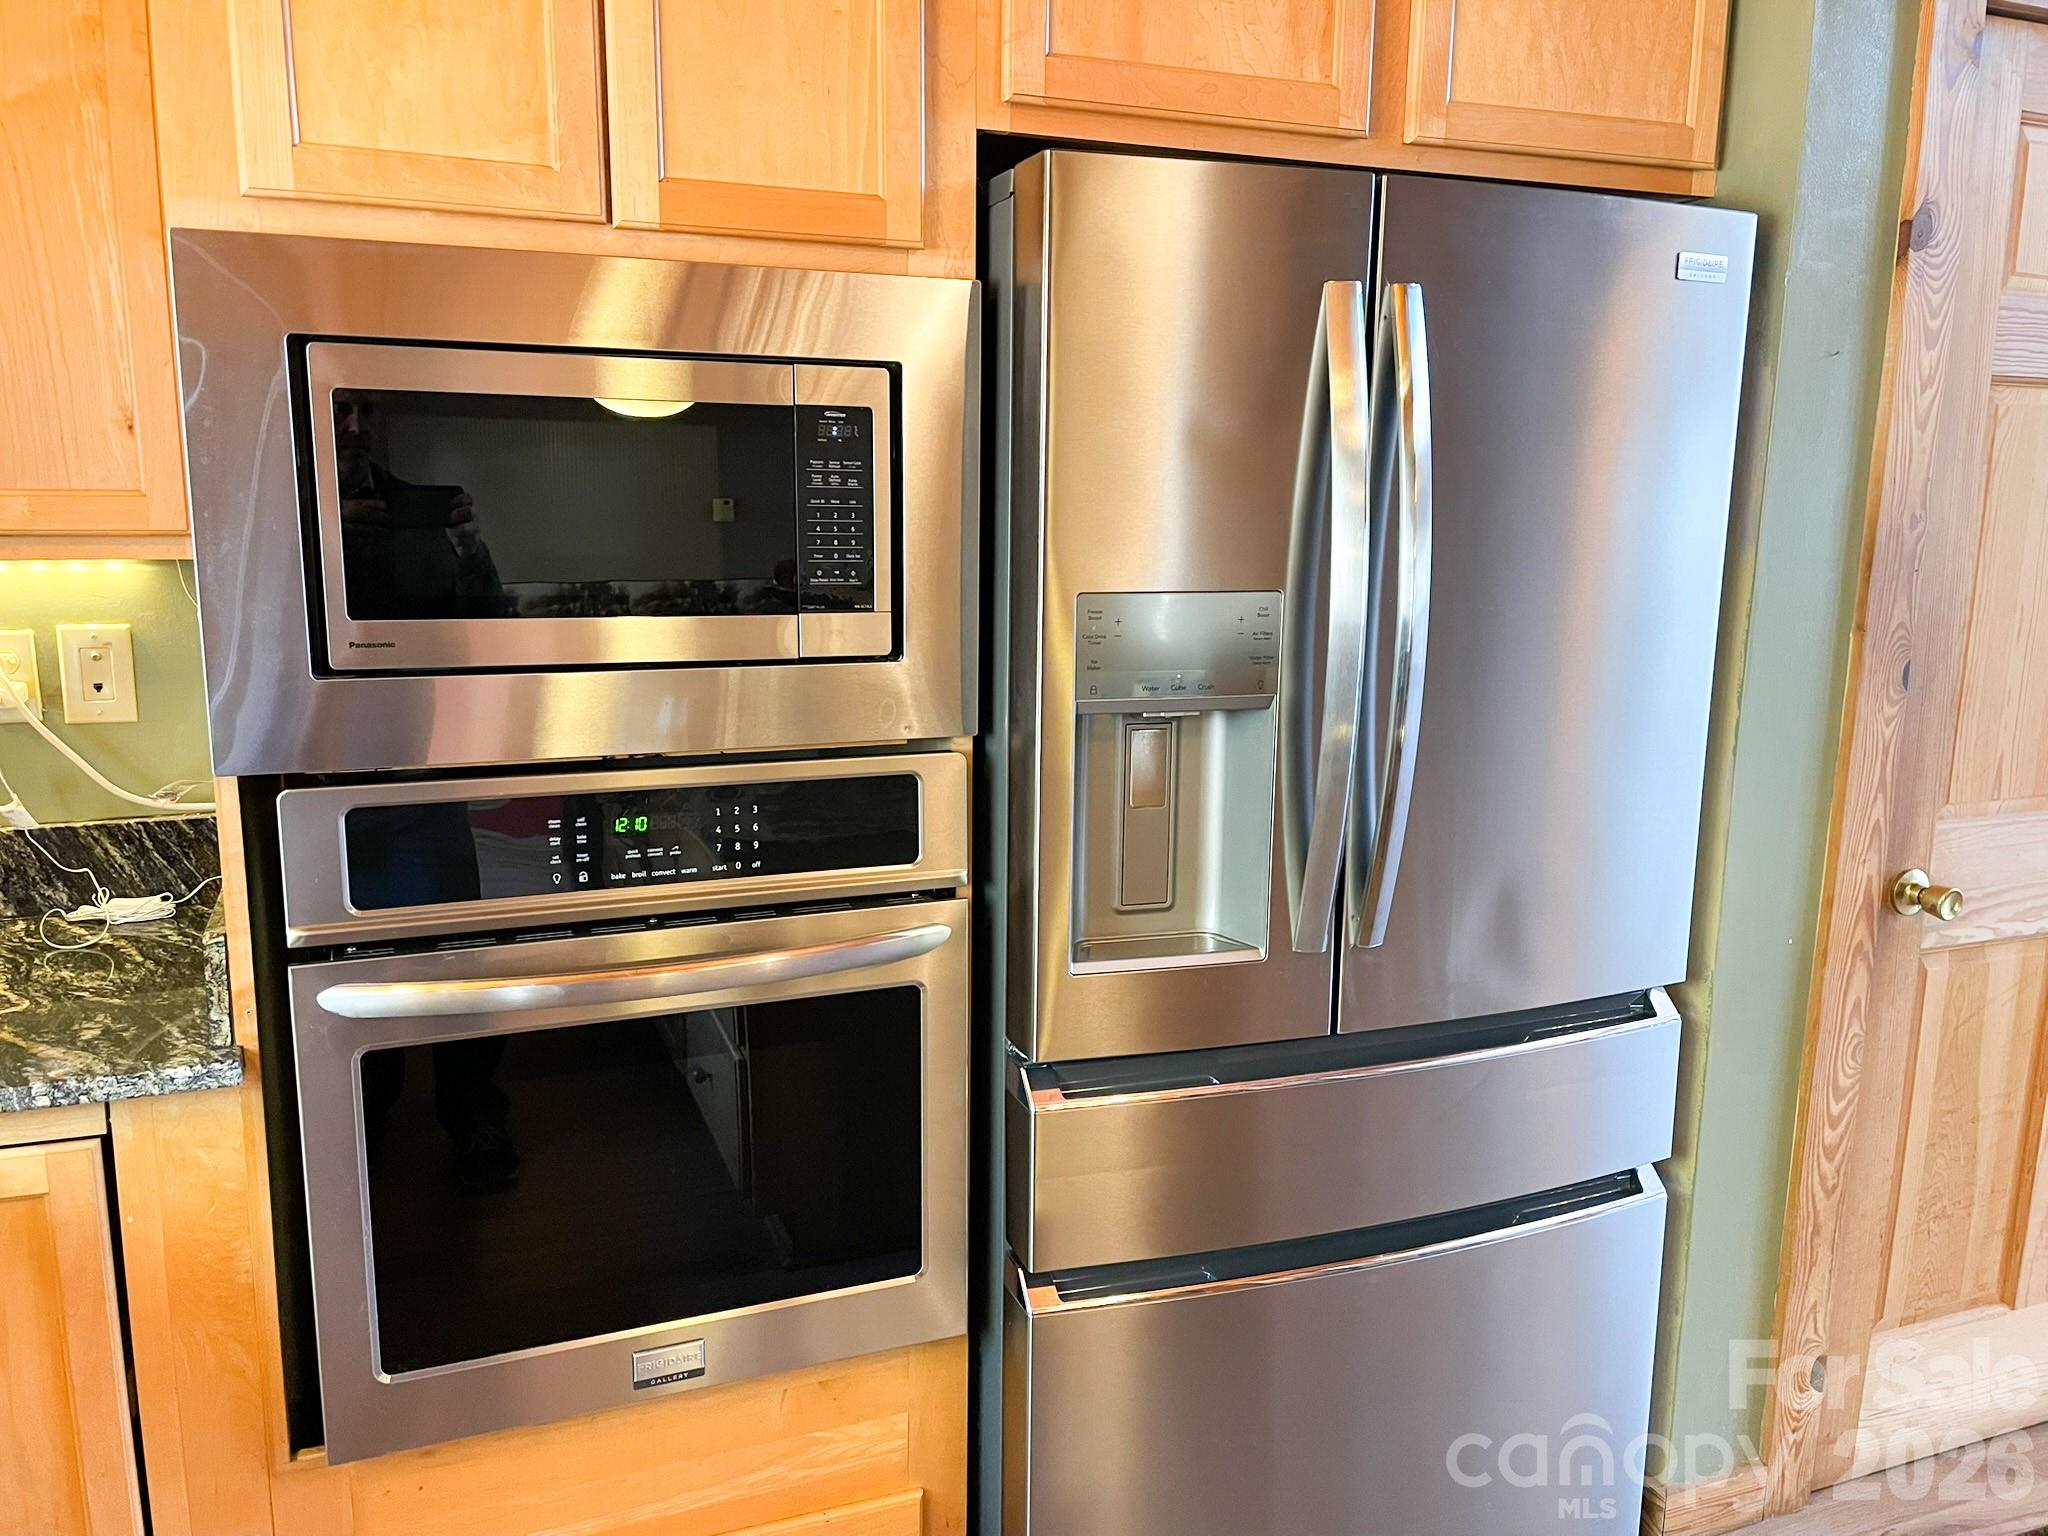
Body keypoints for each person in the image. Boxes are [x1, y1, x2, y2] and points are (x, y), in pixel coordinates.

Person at [333, 391, 506, 619]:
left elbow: (488, 619)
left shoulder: (415, 510)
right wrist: (324, 533)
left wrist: (471, 556)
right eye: (341, 410)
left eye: (367, 411)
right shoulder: (284, 515)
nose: (356, 427)